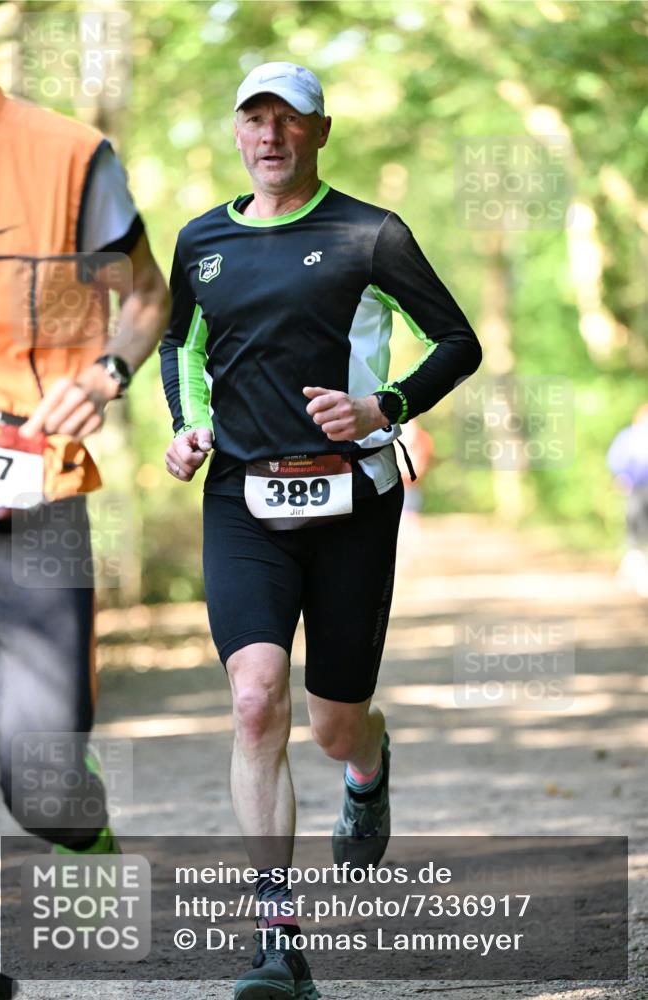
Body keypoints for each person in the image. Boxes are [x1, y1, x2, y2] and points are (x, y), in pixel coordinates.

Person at [160, 61, 481, 999]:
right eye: (253, 120)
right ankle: (276, 940)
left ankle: (368, 762)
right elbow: (182, 349)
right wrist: (185, 428)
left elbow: (457, 340)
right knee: (256, 698)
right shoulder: (201, 240)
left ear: (320, 131)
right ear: (235, 133)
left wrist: (384, 404)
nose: (269, 136)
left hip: (351, 503)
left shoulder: (369, 233)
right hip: (243, 500)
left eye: (288, 121)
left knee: (332, 723)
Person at [0, 3, 170, 995]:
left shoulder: (65, 155)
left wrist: (104, 373)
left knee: (43, 779)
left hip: (33, 503)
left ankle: (82, 833)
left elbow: (144, 293)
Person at [607, 403, 648, 597]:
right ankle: (633, 571)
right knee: (635, 529)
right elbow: (616, 459)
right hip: (637, 488)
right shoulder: (628, 437)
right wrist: (622, 476)